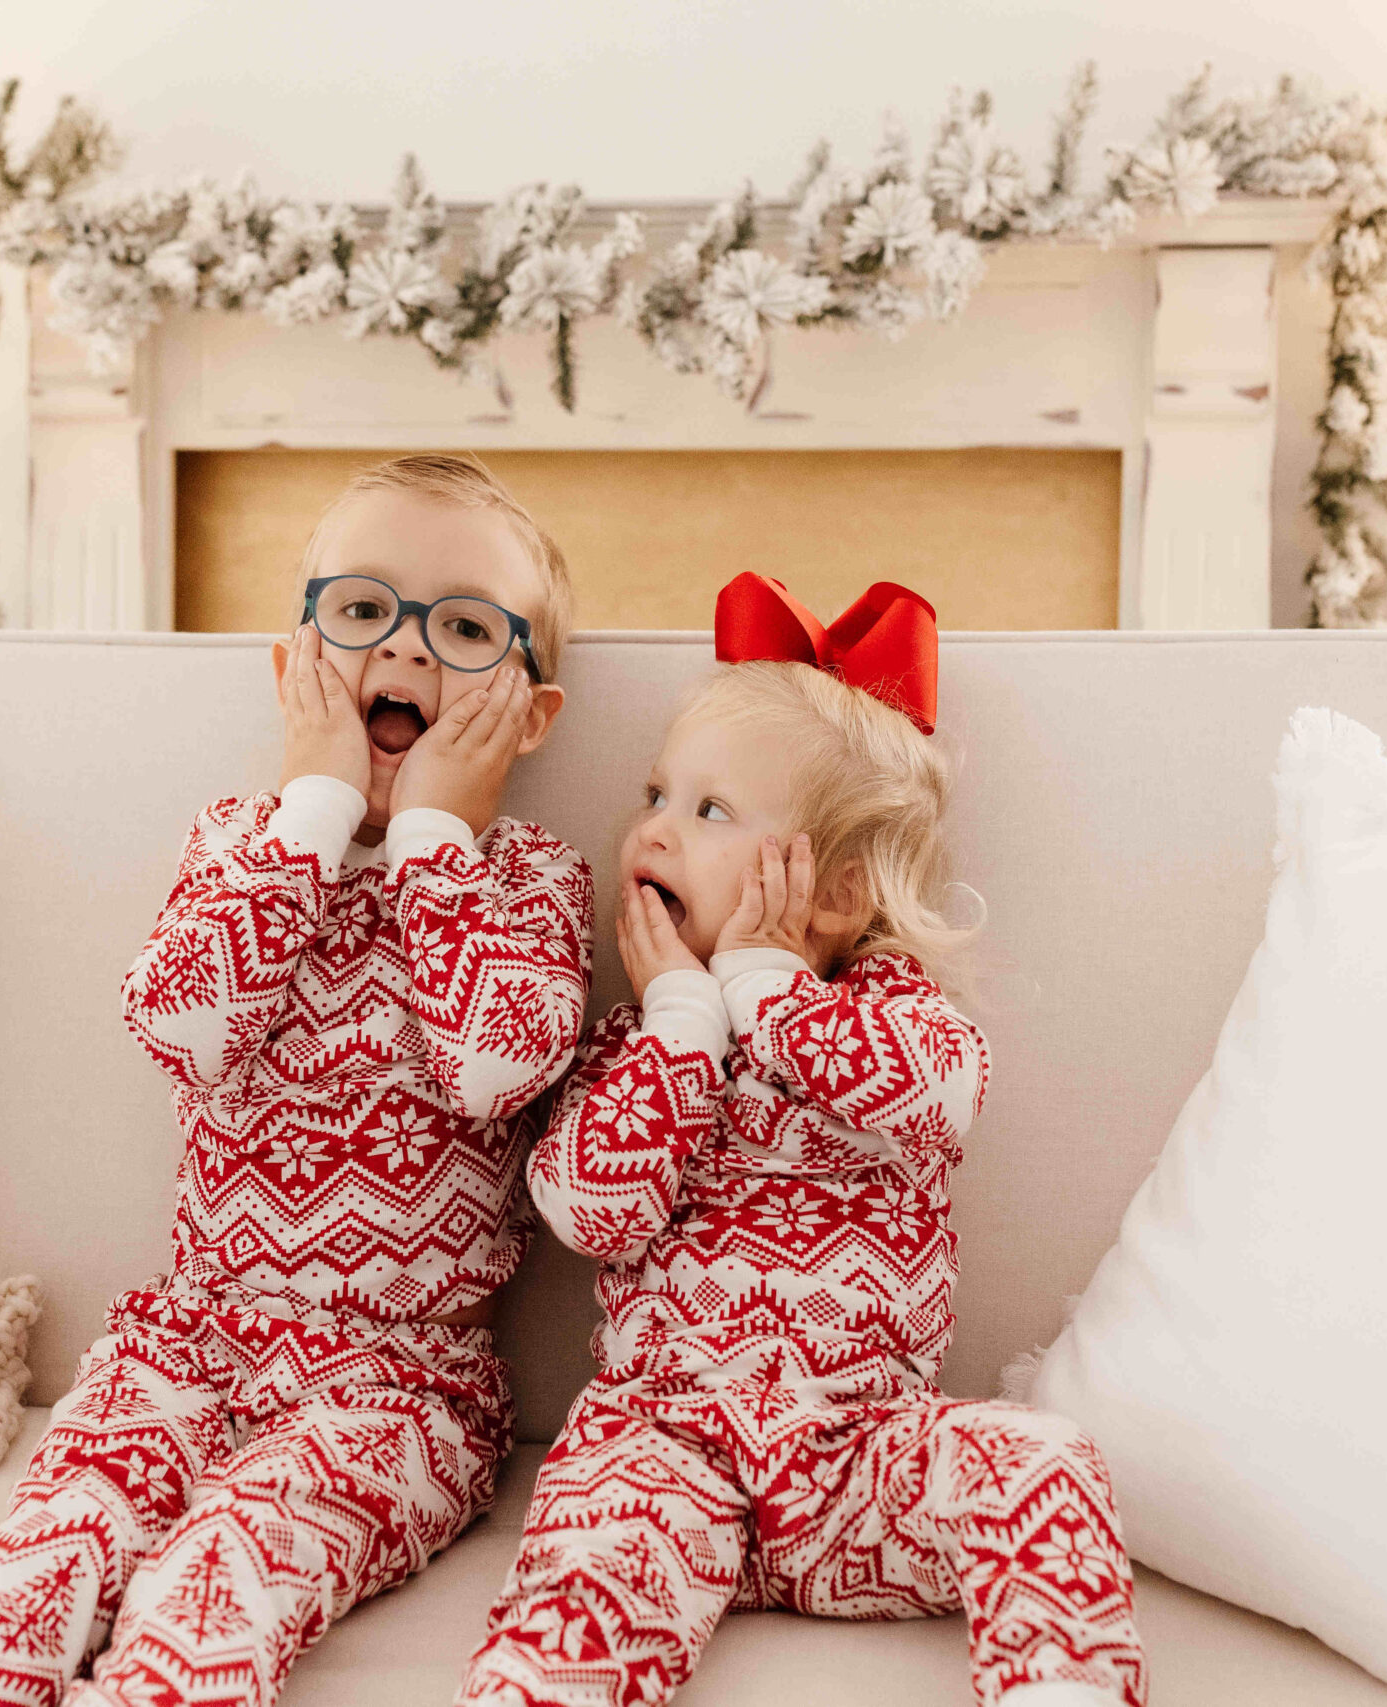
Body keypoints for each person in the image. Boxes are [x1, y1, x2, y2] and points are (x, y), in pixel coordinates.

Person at [0, 454, 593, 1707]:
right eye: (362, 613)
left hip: (402, 1386)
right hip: (188, 1344)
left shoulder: (523, 882)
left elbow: (497, 1064)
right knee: (33, 1564)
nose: (403, 653)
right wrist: (314, 807)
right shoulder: (243, 846)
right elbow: (180, 1024)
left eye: (465, 628)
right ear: (295, 664)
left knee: (224, 1580)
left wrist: (431, 838)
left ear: (529, 714)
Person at [457, 574, 1145, 1707]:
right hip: (663, 1452)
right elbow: (586, 1209)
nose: (651, 828)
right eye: (654, 794)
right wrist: (683, 1023)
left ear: (827, 895)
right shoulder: (638, 1044)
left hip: (857, 1467)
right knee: (583, 1586)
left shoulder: (897, 1022)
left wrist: (766, 989)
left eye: (708, 812)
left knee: (1043, 1459)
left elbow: (938, 1098)